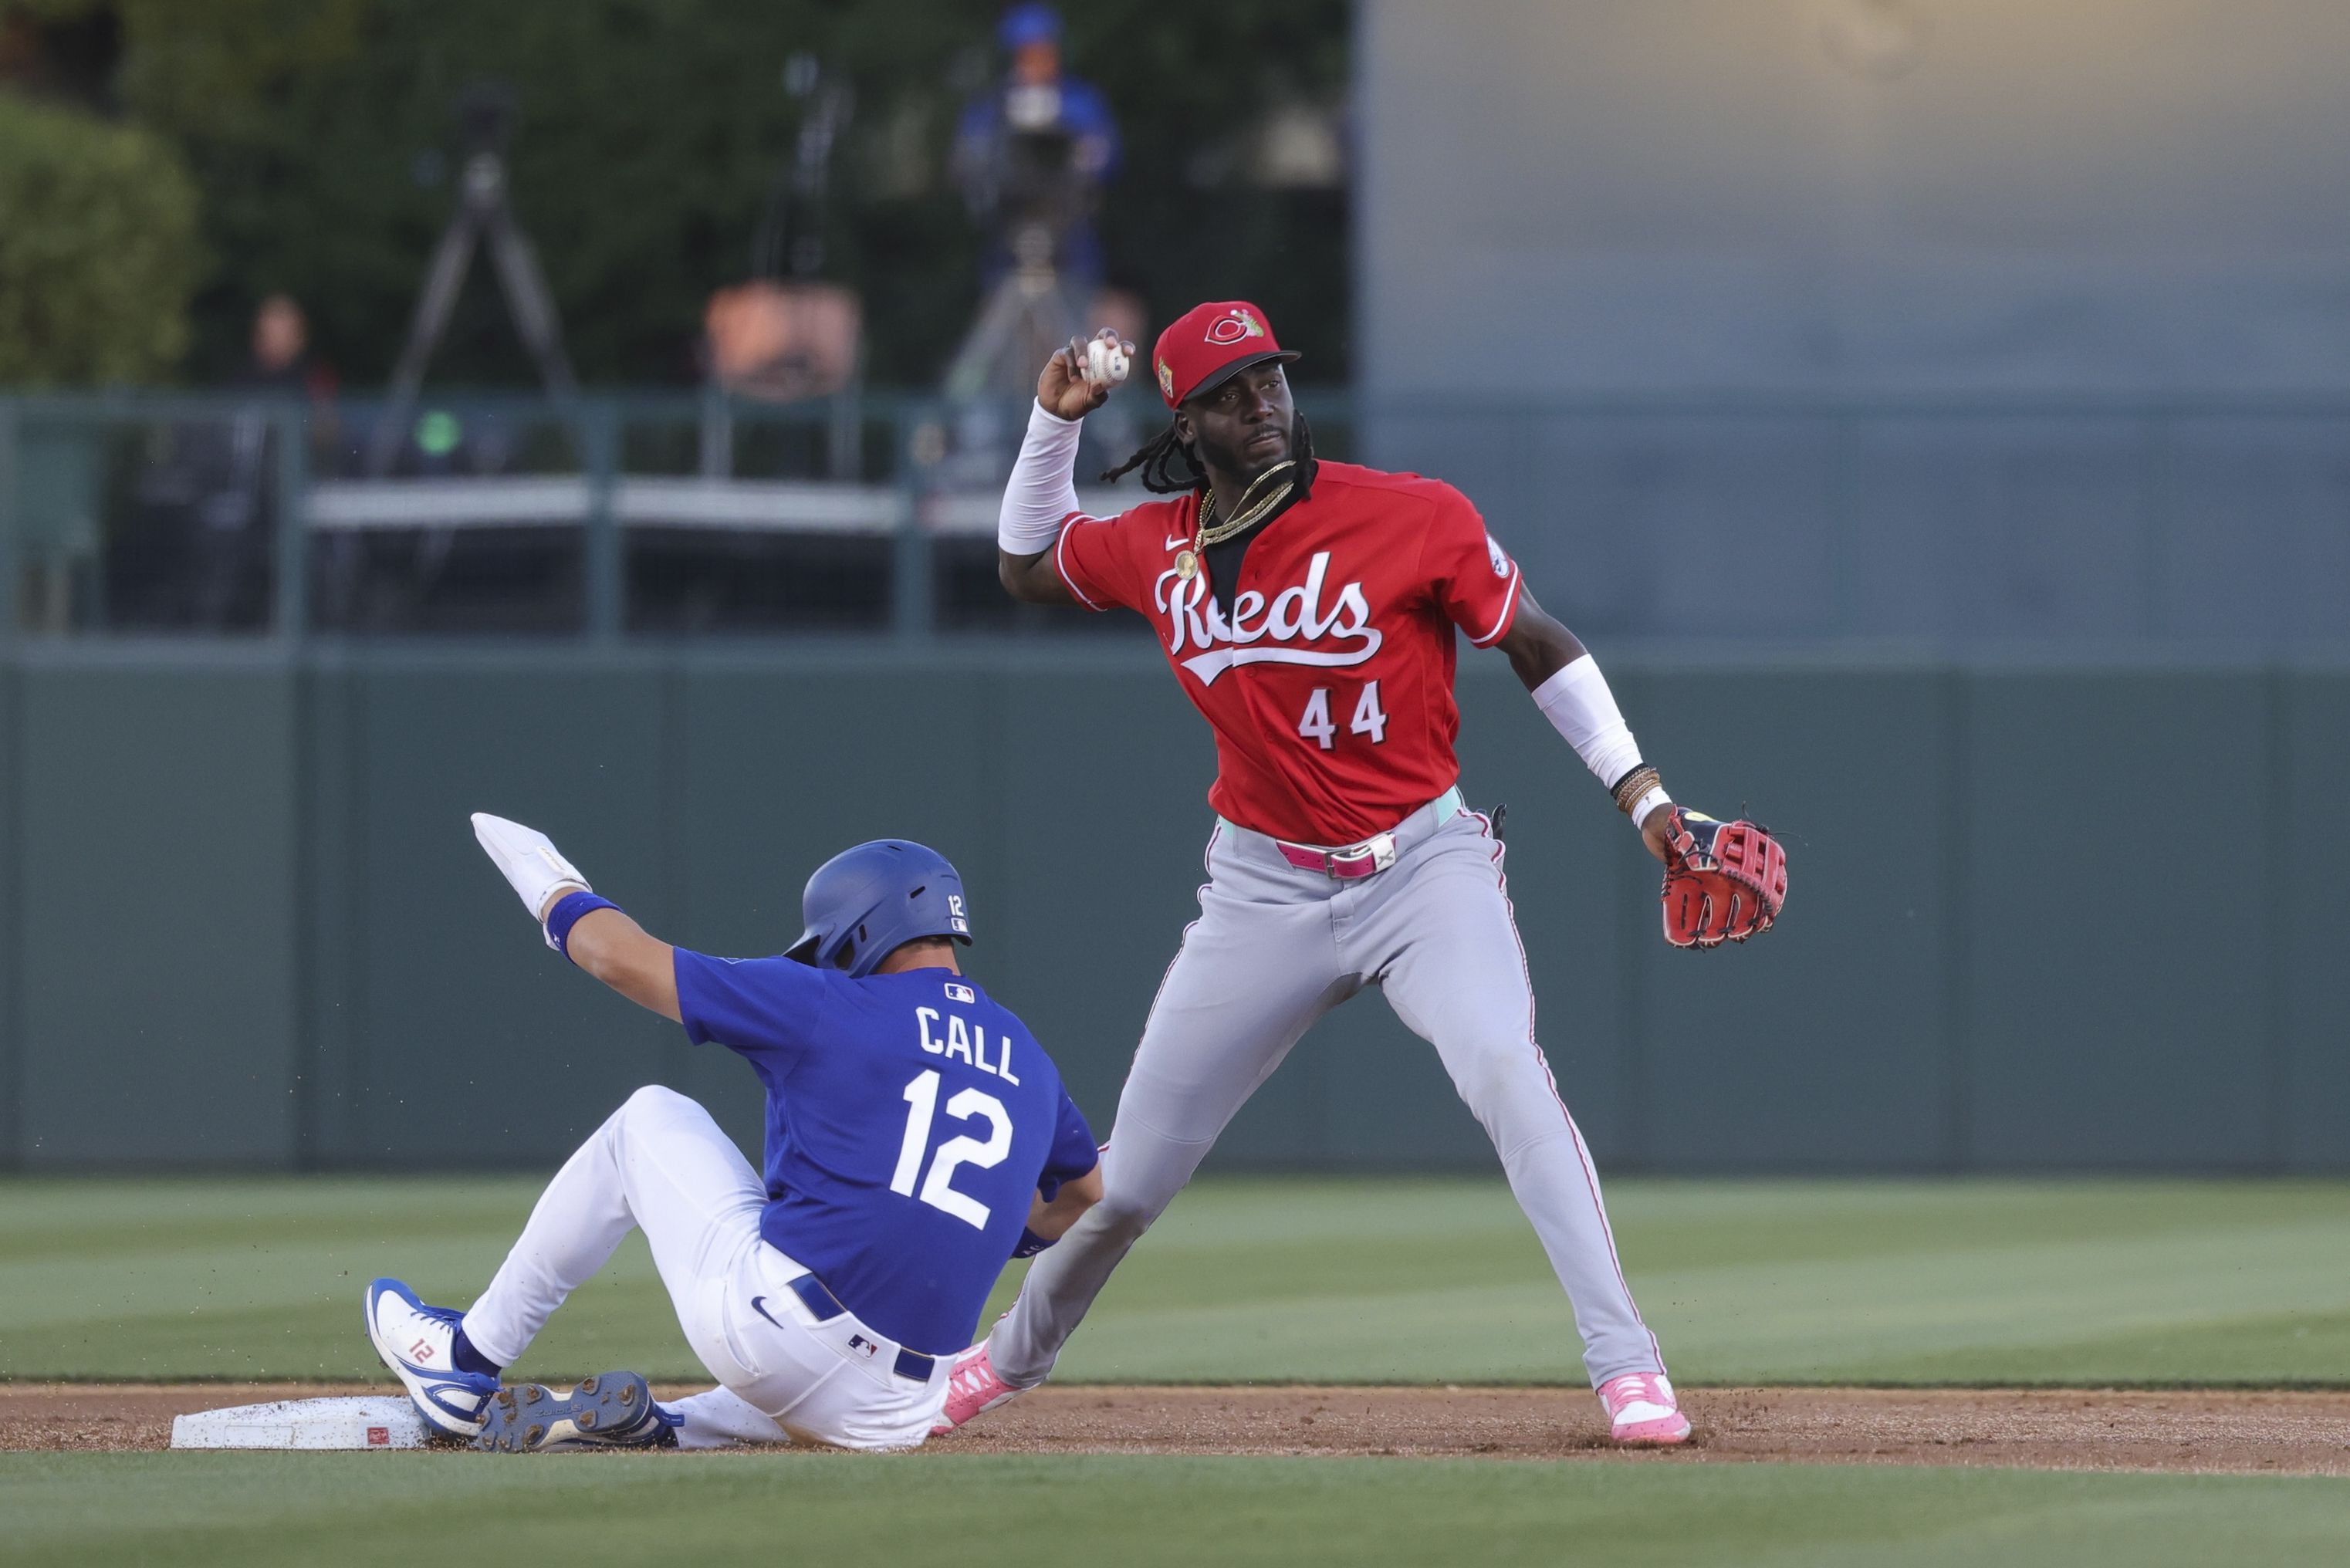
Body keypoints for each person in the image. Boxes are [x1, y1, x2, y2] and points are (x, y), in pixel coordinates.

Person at [939, 303, 1739, 1448]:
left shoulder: (1410, 514)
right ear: (1188, 421)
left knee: (1508, 1071)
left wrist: (1647, 799)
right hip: (1260, 893)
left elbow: (1537, 643)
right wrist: (1047, 424)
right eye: (1231, 393)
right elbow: (1024, 567)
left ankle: (1628, 1370)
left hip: (1423, 868)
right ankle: (1000, 1365)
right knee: (1127, 1181)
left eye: (1270, 379)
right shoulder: (1153, 544)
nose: (1261, 403)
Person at [363, 815, 1103, 1452]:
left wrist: (551, 884)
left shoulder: (827, 1001)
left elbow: (615, 956)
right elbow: (1083, 1191)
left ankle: (464, 1359)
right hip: (900, 1409)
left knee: (648, 1118)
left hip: (782, 1338)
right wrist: (981, 1228)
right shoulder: (1026, 1057)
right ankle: (669, 1427)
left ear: (860, 933)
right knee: (801, 1372)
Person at [953, 3, 1120, 299]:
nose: (1037, 63)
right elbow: (968, 164)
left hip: (1071, 242)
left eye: (1044, 53)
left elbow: (1107, 160)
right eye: (1027, 55)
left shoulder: (1081, 103)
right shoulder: (989, 110)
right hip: (1007, 242)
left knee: (1074, 324)